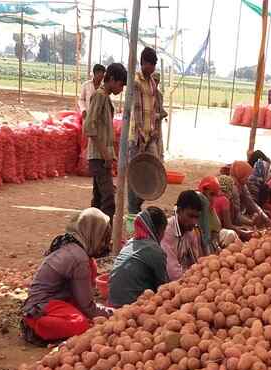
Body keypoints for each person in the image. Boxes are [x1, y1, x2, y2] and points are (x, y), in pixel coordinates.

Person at [21, 208, 111, 344]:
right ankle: (36, 328)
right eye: (103, 237)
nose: (105, 243)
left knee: (91, 265)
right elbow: (87, 306)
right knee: (81, 325)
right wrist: (114, 314)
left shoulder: (75, 247)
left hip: (55, 301)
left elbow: (85, 303)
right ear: (93, 233)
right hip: (41, 309)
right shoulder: (79, 258)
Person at [85, 62, 127, 219]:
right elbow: (89, 127)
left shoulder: (105, 98)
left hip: (102, 157)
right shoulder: (100, 96)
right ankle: (104, 235)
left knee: (98, 200)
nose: (121, 89)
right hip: (99, 157)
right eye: (121, 85)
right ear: (112, 79)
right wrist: (105, 154)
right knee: (109, 200)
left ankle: (92, 233)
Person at [127, 48, 167, 214]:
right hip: (137, 137)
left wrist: (155, 131)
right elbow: (136, 112)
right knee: (135, 173)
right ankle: (132, 209)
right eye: (149, 64)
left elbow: (154, 109)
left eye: (154, 65)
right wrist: (142, 137)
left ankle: (137, 203)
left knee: (154, 172)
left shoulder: (152, 82)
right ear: (143, 63)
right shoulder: (136, 82)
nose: (151, 68)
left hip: (150, 136)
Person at [108, 208, 170, 307]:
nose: (163, 235)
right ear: (158, 230)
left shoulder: (130, 242)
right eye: (163, 231)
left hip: (112, 300)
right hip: (131, 307)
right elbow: (163, 287)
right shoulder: (154, 250)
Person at [161, 190, 205, 280]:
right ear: (179, 211)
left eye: (197, 217)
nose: (194, 222)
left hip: (184, 278)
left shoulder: (191, 231)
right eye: (190, 216)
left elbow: (196, 262)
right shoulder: (167, 232)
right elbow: (172, 273)